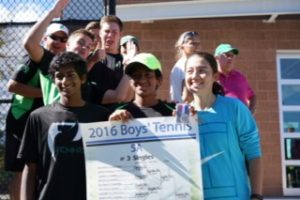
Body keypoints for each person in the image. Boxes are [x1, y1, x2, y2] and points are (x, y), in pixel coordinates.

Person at [18, 52, 110, 200]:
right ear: (53, 80)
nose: (65, 81)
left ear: (83, 78)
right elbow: (30, 168)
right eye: (59, 76)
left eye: (71, 75)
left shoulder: (101, 116)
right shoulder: (38, 117)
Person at [184, 52, 263, 199]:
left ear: (215, 77)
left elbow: (254, 154)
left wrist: (256, 195)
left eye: (202, 70)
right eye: (189, 71)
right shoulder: (182, 115)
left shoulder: (235, 108)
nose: (194, 76)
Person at [5, 58, 44, 200]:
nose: (58, 42)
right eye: (54, 37)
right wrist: (46, 91)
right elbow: (12, 86)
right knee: (20, 170)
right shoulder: (33, 59)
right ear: (45, 39)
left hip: (43, 121)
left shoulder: (60, 61)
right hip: (21, 119)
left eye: (63, 39)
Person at [109, 53, 175, 121]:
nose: (142, 80)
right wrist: (112, 123)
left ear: (159, 80)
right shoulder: (119, 113)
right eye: (136, 75)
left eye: (148, 75)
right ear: (130, 81)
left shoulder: (173, 112)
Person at [87, 15, 134, 108]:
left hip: (122, 115)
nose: (110, 35)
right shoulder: (91, 58)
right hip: (95, 114)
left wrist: (131, 62)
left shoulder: (126, 59)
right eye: (107, 31)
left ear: (120, 34)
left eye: (114, 32)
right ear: (100, 33)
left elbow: (128, 97)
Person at [214, 43, 256, 113]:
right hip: (221, 120)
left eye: (232, 55)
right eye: (227, 55)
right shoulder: (211, 77)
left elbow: (252, 96)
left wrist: (250, 113)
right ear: (216, 58)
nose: (230, 58)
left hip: (241, 121)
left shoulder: (240, 77)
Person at [169, 31, 200, 103]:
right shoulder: (185, 65)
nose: (197, 47)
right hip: (186, 109)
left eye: (198, 44)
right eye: (192, 43)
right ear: (182, 45)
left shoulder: (183, 64)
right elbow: (187, 96)